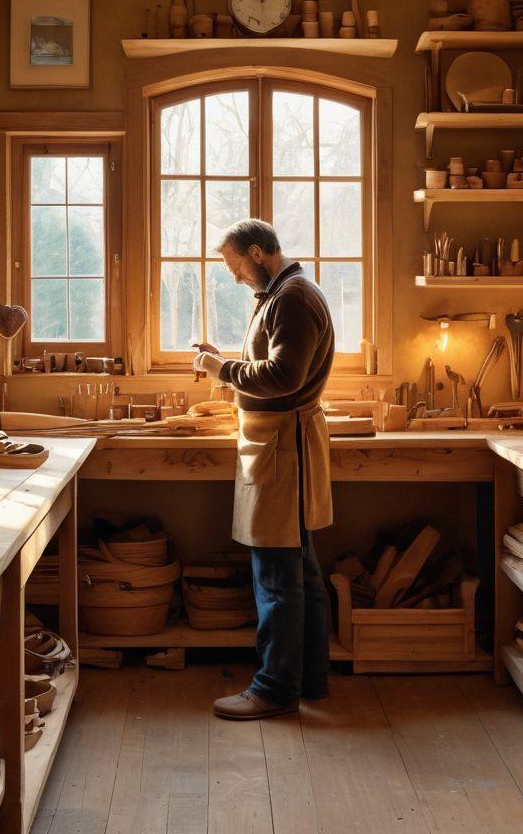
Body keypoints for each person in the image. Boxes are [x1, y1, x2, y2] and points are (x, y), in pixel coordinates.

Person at [192, 219, 335, 720]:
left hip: (282, 449)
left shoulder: (293, 298)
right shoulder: (282, 294)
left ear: (258, 253)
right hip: (279, 444)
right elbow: (274, 365)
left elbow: (282, 375)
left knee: (276, 578)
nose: (234, 278)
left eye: (235, 267)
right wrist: (227, 362)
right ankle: (310, 680)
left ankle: (275, 689)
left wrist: (219, 370)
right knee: (302, 573)